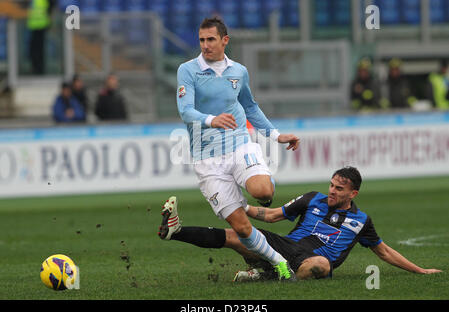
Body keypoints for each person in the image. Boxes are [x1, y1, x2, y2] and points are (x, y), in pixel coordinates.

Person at [167, 17, 300, 281]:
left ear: (225, 40)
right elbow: (185, 110)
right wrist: (211, 119)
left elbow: (250, 106)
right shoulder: (188, 70)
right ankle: (280, 263)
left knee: (262, 191)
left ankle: (263, 184)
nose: (205, 45)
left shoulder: (238, 71)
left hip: (239, 142)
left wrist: (275, 135)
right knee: (241, 228)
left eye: (211, 39)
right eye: (202, 40)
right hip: (206, 157)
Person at [158, 167, 442, 281]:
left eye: (339, 189)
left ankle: (268, 274)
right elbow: (272, 215)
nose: (331, 191)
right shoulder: (312, 199)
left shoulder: (361, 221)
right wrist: (239, 206)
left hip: (315, 259)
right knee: (236, 234)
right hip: (287, 246)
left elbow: (383, 251)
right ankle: (176, 231)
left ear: (352, 194)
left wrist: (420, 270)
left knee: (318, 265)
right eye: (331, 185)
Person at [27, 0, 55, 75]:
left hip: (42, 26)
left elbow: (51, 9)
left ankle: (39, 69)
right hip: (33, 26)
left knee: (39, 50)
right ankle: (35, 68)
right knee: (33, 49)